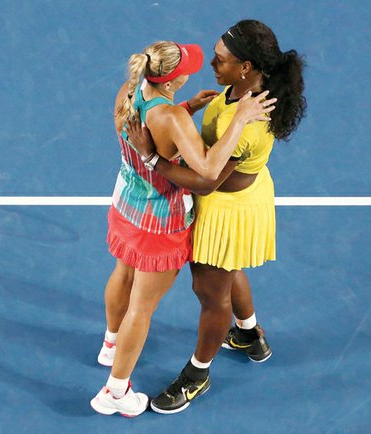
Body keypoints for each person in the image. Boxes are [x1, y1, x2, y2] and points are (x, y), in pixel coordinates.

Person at [126, 20, 307, 414]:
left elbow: (205, 181)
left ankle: (198, 373)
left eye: (220, 59)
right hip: (240, 195)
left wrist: (152, 157)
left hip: (227, 209)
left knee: (211, 294)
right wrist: (191, 109)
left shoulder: (246, 122)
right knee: (229, 270)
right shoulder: (242, 91)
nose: (211, 63)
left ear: (245, 66)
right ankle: (249, 336)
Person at [90, 40, 275, 418]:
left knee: (122, 274)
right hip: (159, 221)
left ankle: (110, 344)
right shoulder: (172, 120)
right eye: (189, 65)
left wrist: (188, 107)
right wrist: (239, 118)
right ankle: (115, 390)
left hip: (125, 205)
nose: (201, 66)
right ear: (173, 80)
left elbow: (148, 131)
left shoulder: (127, 91)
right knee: (141, 309)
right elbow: (206, 171)